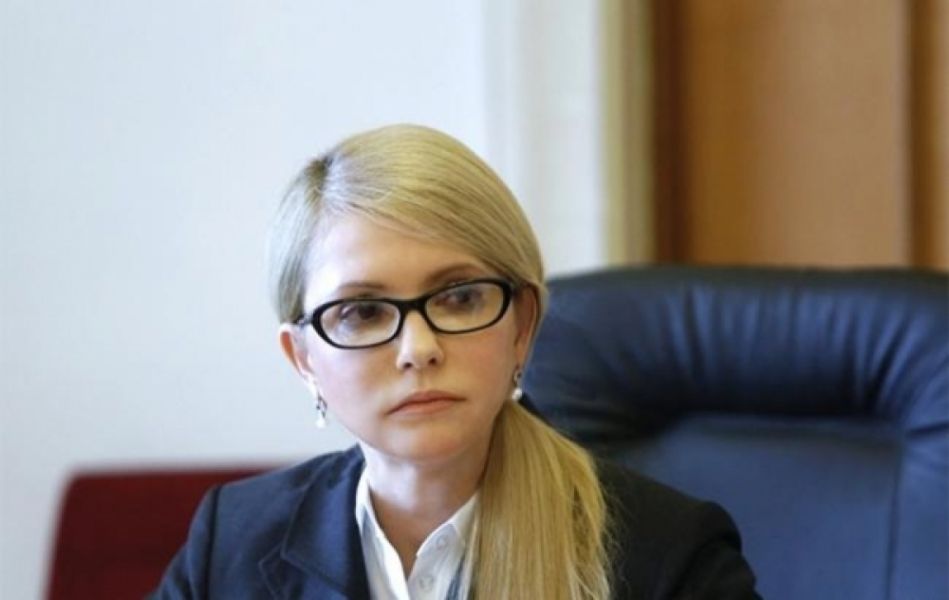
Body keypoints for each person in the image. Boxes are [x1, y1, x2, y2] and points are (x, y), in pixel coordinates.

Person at [153, 124, 759, 599]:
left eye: (460, 298)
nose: (418, 349)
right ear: (304, 358)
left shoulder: (669, 557)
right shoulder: (231, 541)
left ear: (522, 326)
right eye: (362, 312)